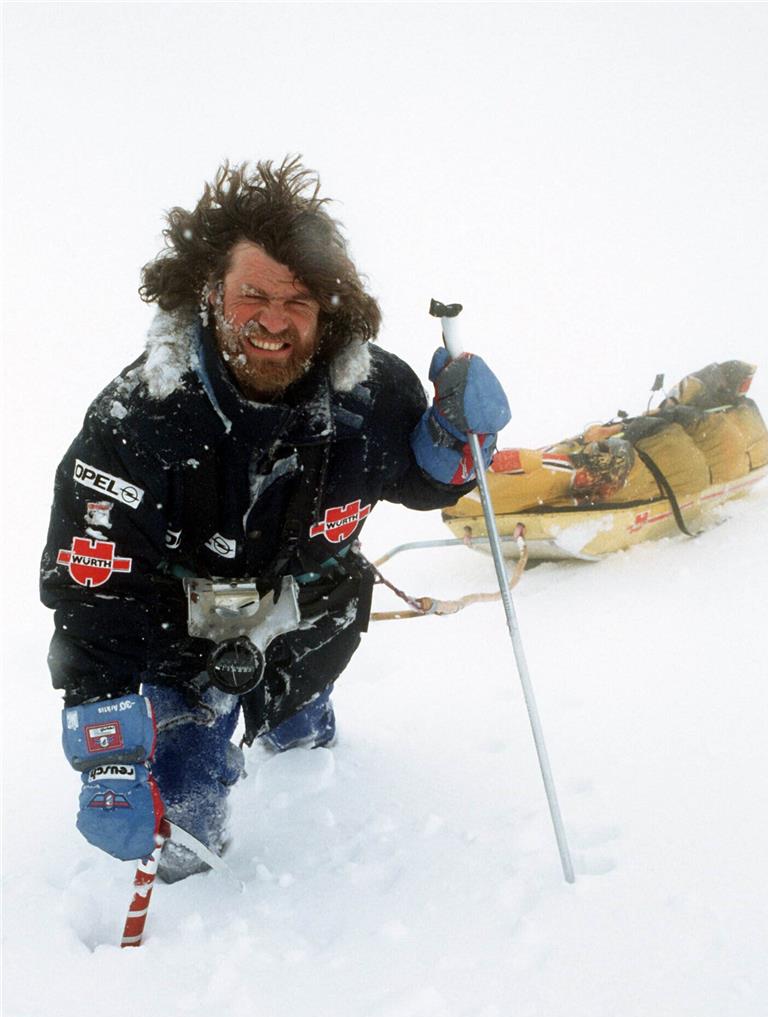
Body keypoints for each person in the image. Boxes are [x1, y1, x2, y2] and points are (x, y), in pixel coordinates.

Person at [41, 157, 511, 881]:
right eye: (251, 293)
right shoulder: (134, 423)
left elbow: (416, 482)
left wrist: (453, 444)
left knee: (301, 736)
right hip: (181, 648)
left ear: (330, 310)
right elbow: (93, 592)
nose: (271, 320)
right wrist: (106, 755)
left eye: (298, 300)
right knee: (183, 841)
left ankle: (297, 733)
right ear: (208, 290)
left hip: (314, 620)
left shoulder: (374, 391)